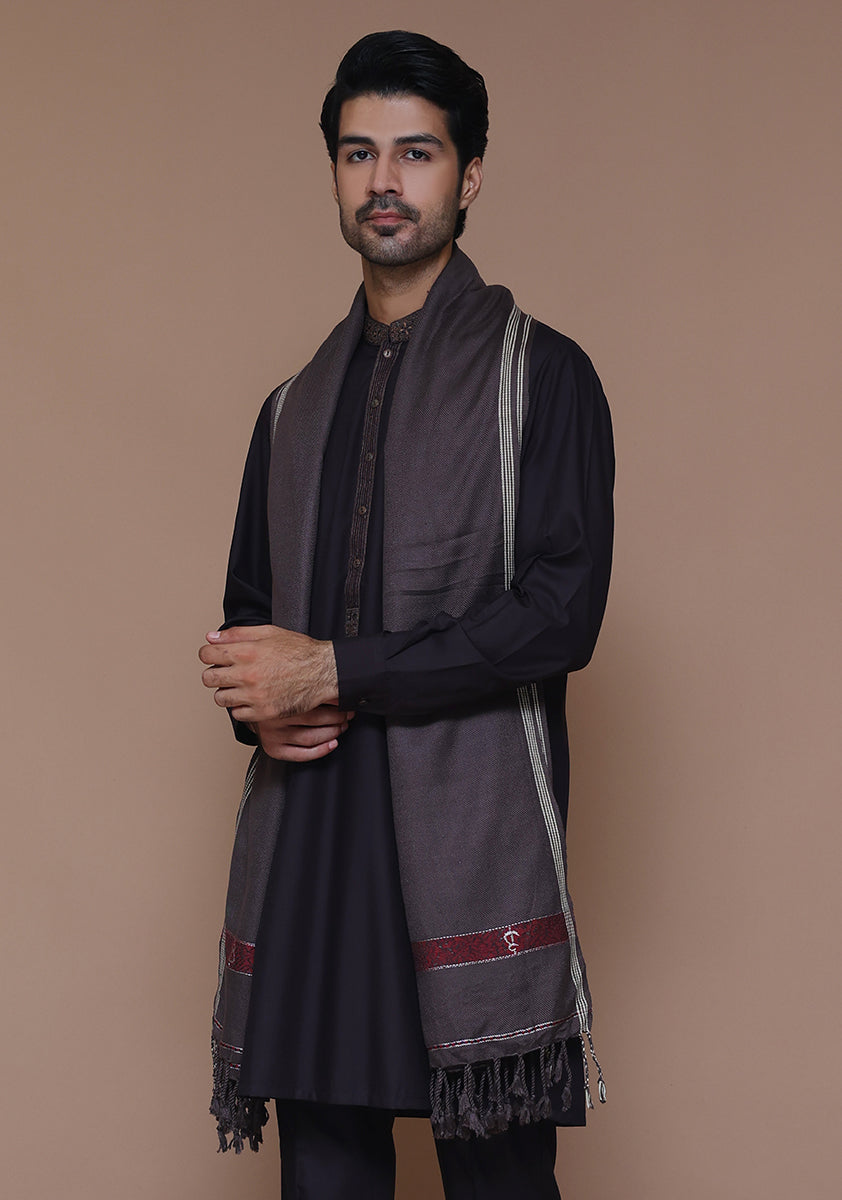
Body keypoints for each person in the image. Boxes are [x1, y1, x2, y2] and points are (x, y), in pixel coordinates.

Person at [200, 29, 614, 1200]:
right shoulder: (289, 408)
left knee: (497, 1182)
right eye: (358, 153)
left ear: (467, 176)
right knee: (323, 1178)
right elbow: (249, 619)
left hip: (465, 856)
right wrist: (253, 702)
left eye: (415, 153)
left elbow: (557, 616)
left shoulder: (542, 376)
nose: (383, 180)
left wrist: (332, 670)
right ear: (335, 173)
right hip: (312, 853)